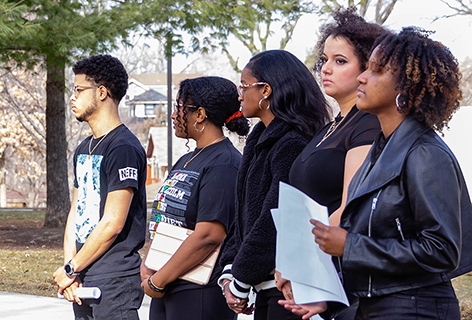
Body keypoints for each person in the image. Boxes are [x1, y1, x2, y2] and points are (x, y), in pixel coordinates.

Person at [294, 27, 472, 319]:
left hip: (416, 309)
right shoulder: (381, 150)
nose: (362, 77)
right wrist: (329, 298)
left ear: (406, 88)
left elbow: (442, 250)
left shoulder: (425, 153)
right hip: (376, 307)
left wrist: (350, 246)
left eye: (377, 70)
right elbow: (376, 250)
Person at [277, 8, 390, 319]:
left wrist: (299, 263)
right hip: (312, 274)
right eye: (324, 59)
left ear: (369, 69)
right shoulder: (330, 126)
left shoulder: (367, 124)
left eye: (340, 61)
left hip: (344, 278)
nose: (325, 68)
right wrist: (289, 262)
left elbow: (349, 208)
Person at [217, 50, 331, 320]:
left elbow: (273, 219)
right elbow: (245, 216)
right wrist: (230, 271)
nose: (239, 95)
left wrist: (241, 279)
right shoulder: (259, 139)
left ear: (265, 90)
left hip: (290, 292)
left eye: (243, 86)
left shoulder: (292, 143)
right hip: (264, 287)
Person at [140, 76, 249, 320]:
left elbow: (209, 235)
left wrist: (158, 279)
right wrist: (148, 264)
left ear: (199, 114)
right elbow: (165, 216)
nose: (173, 116)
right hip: (167, 284)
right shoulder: (187, 159)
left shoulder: (225, 163)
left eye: (179, 109)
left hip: (198, 293)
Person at [51, 54, 147, 320]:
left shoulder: (123, 148)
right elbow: (75, 212)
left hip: (115, 280)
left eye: (79, 90)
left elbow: (113, 223)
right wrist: (73, 269)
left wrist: (71, 269)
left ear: (102, 92)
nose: (73, 97)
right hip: (82, 274)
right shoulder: (83, 149)